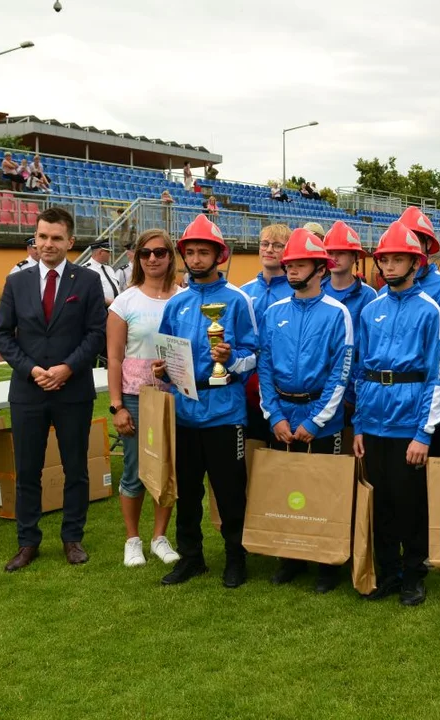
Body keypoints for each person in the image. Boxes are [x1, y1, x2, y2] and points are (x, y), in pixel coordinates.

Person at [0, 207, 107, 572]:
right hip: (28, 390)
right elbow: (1, 334)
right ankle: (27, 542)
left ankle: (72, 538)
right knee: (28, 470)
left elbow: (97, 334)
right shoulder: (17, 282)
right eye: (42, 237)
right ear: (35, 238)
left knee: (76, 467)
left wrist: (67, 368)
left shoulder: (87, 282)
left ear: (70, 242)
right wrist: (32, 370)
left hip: (72, 390)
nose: (48, 244)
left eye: (56, 238)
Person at [153, 214, 258, 588]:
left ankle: (236, 558)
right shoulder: (176, 304)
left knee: (230, 493)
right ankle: (191, 558)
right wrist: (163, 369)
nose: (196, 259)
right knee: (188, 492)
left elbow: (253, 355)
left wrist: (231, 359)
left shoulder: (238, 300)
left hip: (225, 412)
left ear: (219, 255)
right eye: (191, 252)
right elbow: (166, 350)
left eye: (204, 252)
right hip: (185, 413)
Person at [353, 221, 440, 606]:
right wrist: (358, 423)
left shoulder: (430, 311)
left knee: (412, 503)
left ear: (415, 262)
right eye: (385, 260)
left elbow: (436, 375)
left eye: (398, 259)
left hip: (409, 421)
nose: (389, 267)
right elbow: (359, 370)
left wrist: (424, 433)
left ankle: (414, 574)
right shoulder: (371, 309)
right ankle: (388, 572)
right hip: (374, 420)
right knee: (384, 502)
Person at [259, 228, 353, 593]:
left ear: (320, 269)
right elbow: (265, 366)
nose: (292, 271)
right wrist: (276, 416)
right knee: (286, 488)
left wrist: (317, 420)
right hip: (283, 413)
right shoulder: (274, 312)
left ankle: (326, 562)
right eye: (289, 265)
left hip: (322, 419)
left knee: (323, 491)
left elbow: (340, 371)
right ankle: (290, 559)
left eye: (300, 265)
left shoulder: (338, 313)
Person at [107, 229, 183, 567]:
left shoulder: (183, 298)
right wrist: (117, 406)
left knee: (168, 468)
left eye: (160, 252)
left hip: (175, 396)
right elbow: (113, 358)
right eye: (145, 253)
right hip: (135, 396)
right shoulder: (125, 301)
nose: (153, 258)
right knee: (135, 468)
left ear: (170, 256)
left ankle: (159, 537)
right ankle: (132, 539)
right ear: (137, 258)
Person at [382, 205, 440, 457]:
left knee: (438, 469)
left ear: (427, 245)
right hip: (399, 400)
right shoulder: (385, 292)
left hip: (434, 392)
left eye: (416, 238)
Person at [239, 223, 293, 442]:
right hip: (248, 382)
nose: (269, 249)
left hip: (283, 382)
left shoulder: (296, 291)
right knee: (253, 450)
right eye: (265, 244)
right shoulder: (243, 292)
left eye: (277, 245)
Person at [321, 221, 376, 329]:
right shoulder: (317, 291)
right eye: (330, 253)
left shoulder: (368, 295)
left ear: (355, 257)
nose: (334, 258)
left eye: (341, 253)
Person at [82, 240, 121, 307]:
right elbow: (87, 294)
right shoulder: (86, 269)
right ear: (100, 252)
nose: (110, 254)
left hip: (115, 310)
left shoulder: (109, 269)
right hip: (99, 310)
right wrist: (110, 303)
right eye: (108, 252)